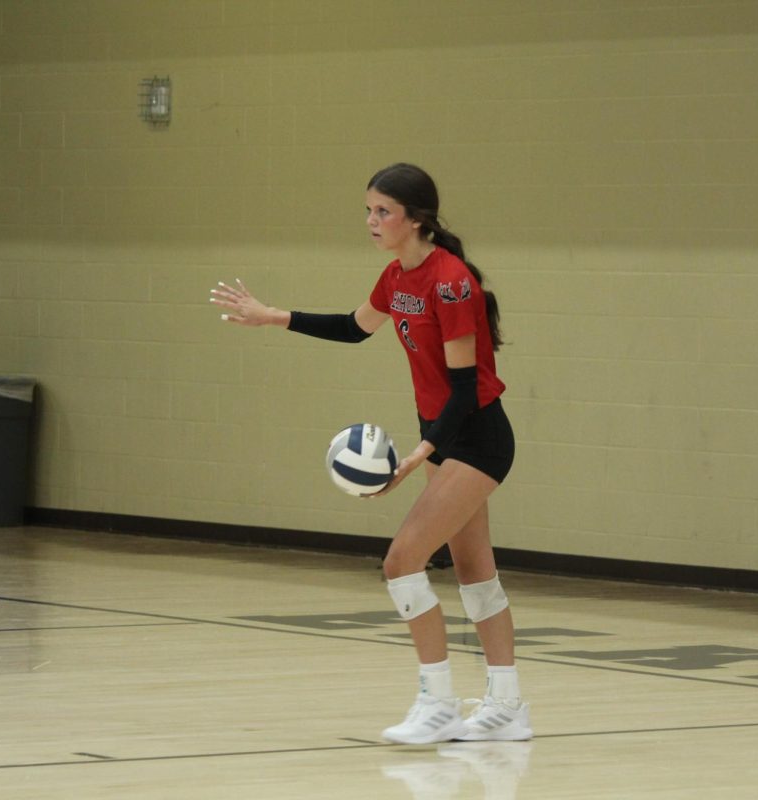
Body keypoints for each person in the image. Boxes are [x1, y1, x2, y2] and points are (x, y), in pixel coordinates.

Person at [210, 163, 531, 745]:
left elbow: (464, 392)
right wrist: (273, 317)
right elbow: (355, 328)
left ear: (417, 219)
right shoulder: (395, 278)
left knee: (402, 561)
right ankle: (507, 706)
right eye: (368, 210)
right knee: (474, 572)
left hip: (476, 435)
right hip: (444, 436)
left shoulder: (451, 281)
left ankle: (437, 704)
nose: (371, 221)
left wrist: (419, 454)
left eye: (383, 211)